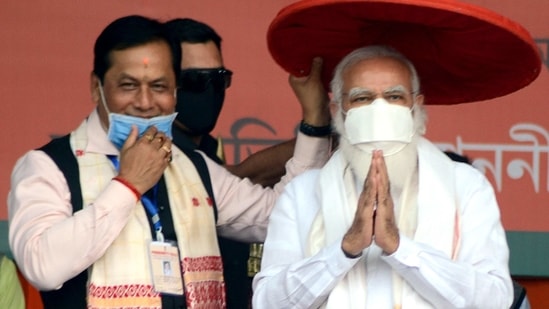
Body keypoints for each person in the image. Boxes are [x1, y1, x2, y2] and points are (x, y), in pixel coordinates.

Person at [8, 15, 331, 309]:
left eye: (159, 87)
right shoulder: (48, 167)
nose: (146, 103)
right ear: (97, 87)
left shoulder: (194, 166)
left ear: (175, 91)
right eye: (129, 85)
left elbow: (283, 214)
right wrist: (128, 186)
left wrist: (315, 123)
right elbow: (42, 268)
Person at [252, 45, 513, 308]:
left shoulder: (465, 187)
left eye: (394, 97)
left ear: (416, 106)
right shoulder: (302, 193)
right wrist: (344, 250)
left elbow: (494, 300)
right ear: (337, 110)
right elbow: (267, 302)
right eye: (362, 98)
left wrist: (400, 248)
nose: (379, 109)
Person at [163, 17, 312, 308]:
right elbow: (244, 179)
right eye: (194, 81)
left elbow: (240, 179)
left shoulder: (208, 147)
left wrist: (330, 132)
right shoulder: (155, 152)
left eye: (218, 79)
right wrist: (318, 129)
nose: (209, 91)